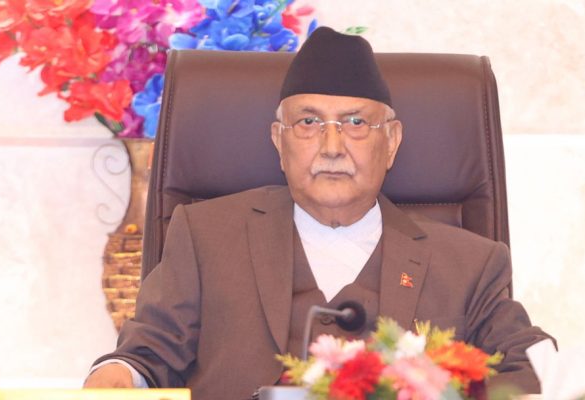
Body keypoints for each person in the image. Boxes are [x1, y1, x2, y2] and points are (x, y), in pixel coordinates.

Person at [85, 27, 554, 398]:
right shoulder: (206, 235)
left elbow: (534, 370)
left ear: (391, 142)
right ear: (279, 140)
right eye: (309, 122)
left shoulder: (469, 264)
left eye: (356, 123)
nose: (332, 146)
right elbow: (145, 355)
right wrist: (115, 376)